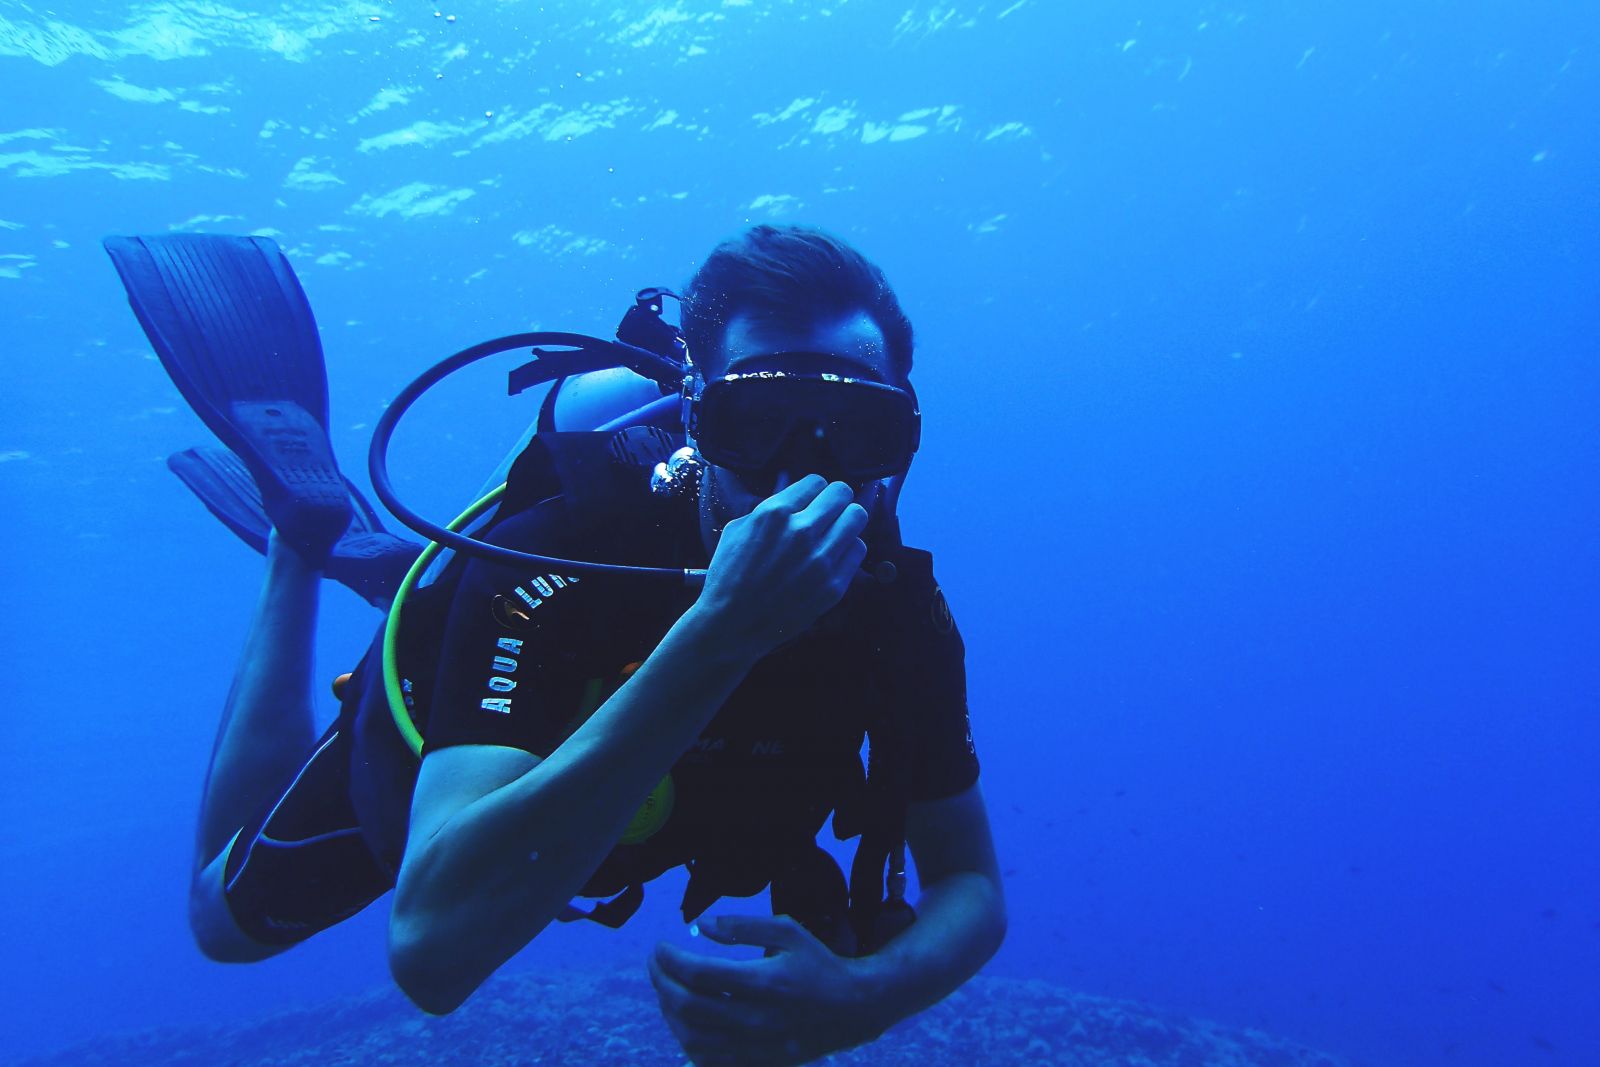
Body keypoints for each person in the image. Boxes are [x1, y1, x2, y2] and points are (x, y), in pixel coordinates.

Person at [106, 224, 1006, 1066]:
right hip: (477, 695)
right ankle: (300, 542)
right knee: (219, 926)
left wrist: (865, 994)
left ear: (902, 439)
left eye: (857, 431)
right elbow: (431, 955)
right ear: (696, 418)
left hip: (611, 784)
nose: (801, 474)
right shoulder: (555, 557)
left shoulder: (896, 613)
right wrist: (721, 636)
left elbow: (969, 881)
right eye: (753, 423)